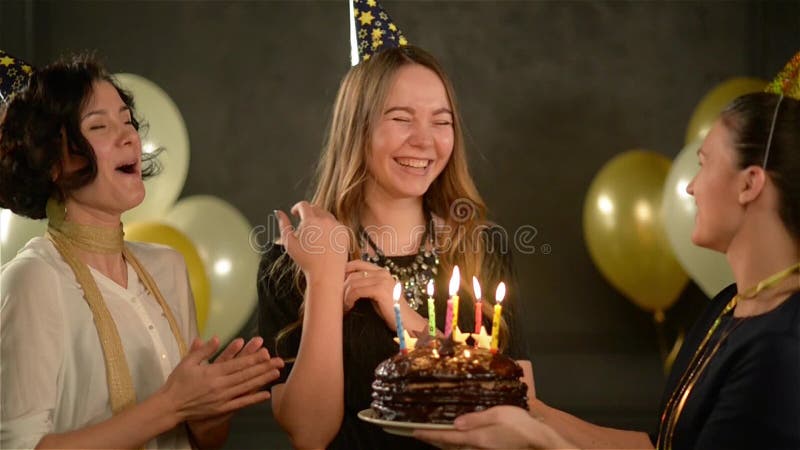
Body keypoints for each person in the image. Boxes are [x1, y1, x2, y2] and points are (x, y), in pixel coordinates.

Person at [414, 91, 800, 449]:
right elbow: (661, 446)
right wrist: (531, 410)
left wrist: (539, 442)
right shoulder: (727, 306)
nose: (690, 187)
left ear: (750, 183)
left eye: (704, 163)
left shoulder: (782, 347)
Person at [0, 54, 285, 450]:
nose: (129, 137)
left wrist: (209, 411)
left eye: (128, 121)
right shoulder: (33, 278)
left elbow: (199, 440)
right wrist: (172, 404)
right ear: (50, 162)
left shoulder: (167, 267)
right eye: (99, 125)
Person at [257, 45, 529, 450]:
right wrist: (325, 279)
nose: (424, 141)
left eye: (441, 122)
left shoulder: (482, 247)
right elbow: (310, 434)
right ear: (357, 129)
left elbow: (522, 403)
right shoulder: (292, 260)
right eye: (401, 119)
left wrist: (403, 315)